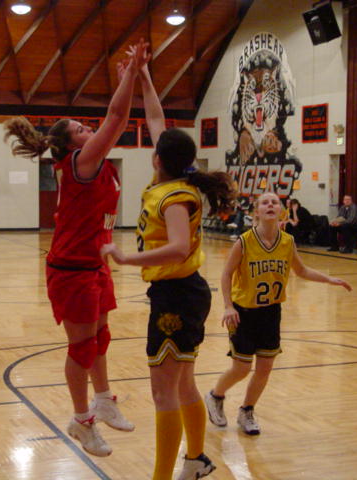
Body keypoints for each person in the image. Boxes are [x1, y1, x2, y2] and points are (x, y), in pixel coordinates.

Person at [2, 40, 148, 457]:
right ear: (71, 144)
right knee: (82, 347)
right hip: (71, 268)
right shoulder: (81, 162)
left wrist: (127, 81)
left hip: (94, 263)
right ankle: (81, 420)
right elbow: (117, 118)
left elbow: (116, 120)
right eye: (82, 130)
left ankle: (103, 400)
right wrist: (131, 75)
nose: (89, 131)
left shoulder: (92, 163)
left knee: (101, 337)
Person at [101, 46, 235, 480]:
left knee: (164, 393)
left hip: (177, 295)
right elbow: (157, 119)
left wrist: (127, 257)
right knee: (183, 384)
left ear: (158, 158)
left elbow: (178, 248)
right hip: (181, 292)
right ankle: (196, 460)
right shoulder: (177, 177)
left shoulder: (175, 195)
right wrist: (143, 76)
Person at [204, 192, 351, 437]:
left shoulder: (287, 241)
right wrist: (228, 306)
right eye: (265, 202)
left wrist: (328, 279)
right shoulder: (244, 241)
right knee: (241, 368)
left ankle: (247, 411)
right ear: (257, 212)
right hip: (243, 312)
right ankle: (215, 396)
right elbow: (226, 273)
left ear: (281, 210)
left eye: (275, 202)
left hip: (271, 311)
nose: (270, 205)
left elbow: (301, 270)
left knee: (265, 368)